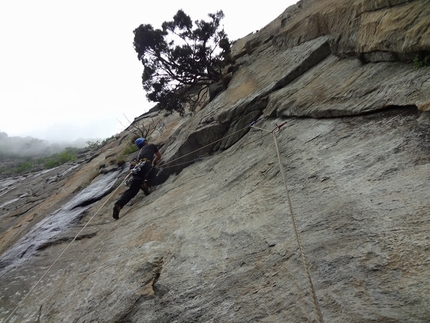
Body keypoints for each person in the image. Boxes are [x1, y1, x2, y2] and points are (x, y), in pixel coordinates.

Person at [113, 137, 162, 219]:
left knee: (133, 190)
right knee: (163, 175)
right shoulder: (151, 146)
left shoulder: (137, 155)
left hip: (137, 170)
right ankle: (147, 184)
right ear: (145, 142)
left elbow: (132, 165)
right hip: (146, 167)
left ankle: (119, 204)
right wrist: (154, 162)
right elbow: (159, 156)